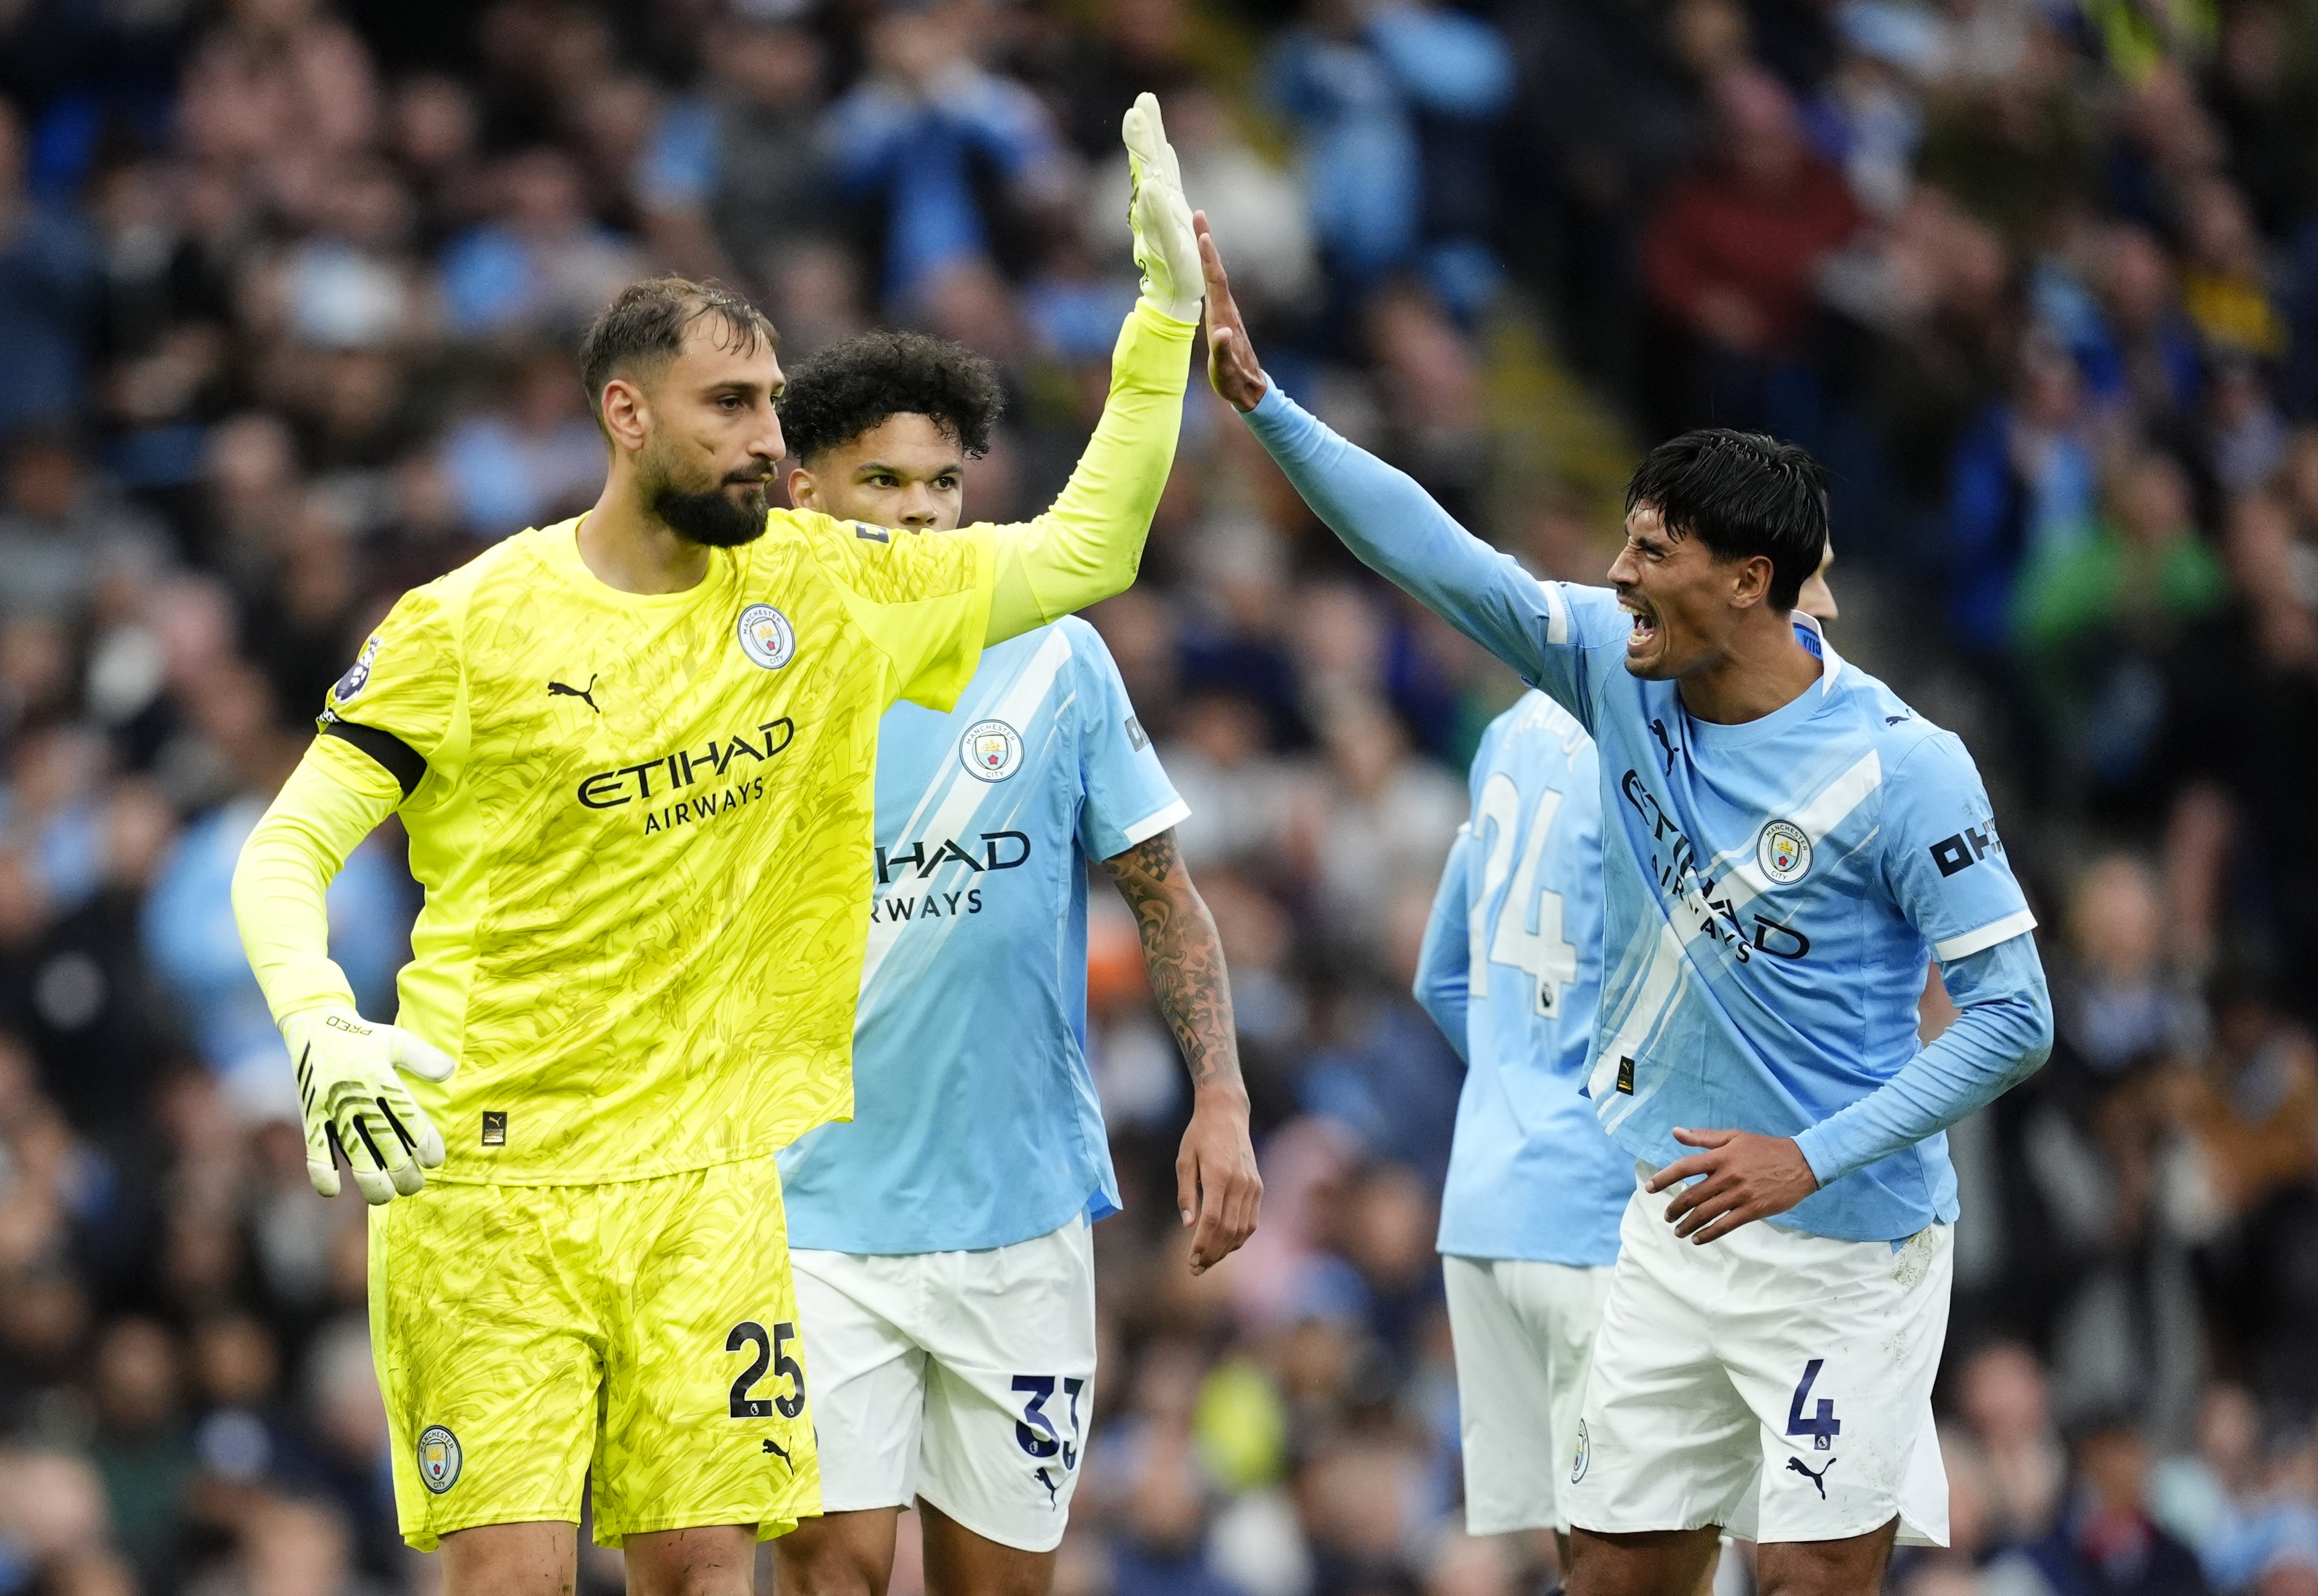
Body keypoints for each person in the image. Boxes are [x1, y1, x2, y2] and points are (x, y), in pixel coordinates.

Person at [226, 96, 1203, 1596]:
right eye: (731, 407)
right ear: (629, 417)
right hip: (495, 1186)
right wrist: (320, 1026)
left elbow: (1087, 551)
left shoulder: (820, 586)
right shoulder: (469, 627)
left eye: (770, 402)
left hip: (711, 1188)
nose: (769, 441)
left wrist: (1159, 325)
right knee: (514, 1581)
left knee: (706, 1574)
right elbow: (289, 846)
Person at [1197, 219, 2053, 1596]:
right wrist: (1265, 405)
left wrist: (1807, 1156)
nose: (1618, 575)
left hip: (1847, 1244)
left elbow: (2016, 1020)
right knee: (1610, 1577)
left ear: (1750, 582)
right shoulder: (1614, 669)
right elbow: (1439, 557)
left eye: (1652, 552)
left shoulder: (1906, 769)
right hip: (1669, 1224)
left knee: (1806, 1582)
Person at [765, 328, 1261, 1596]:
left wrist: (1222, 1097)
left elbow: (1166, 896)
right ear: (803, 492)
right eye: (885, 482)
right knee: (835, 1572)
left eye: (943, 482)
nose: (923, 512)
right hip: (813, 1212)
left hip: (1021, 1215)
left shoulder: (1058, 656)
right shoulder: (750, 669)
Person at [1409, 561, 1842, 1567]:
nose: (1821, 614)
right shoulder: (1674, 747)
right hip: (1603, 1226)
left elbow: (1441, 978)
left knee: (1587, 1562)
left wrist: (1534, 1087)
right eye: (1809, 588)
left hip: (1486, 1210)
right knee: (1663, 1567)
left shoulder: (1513, 728)